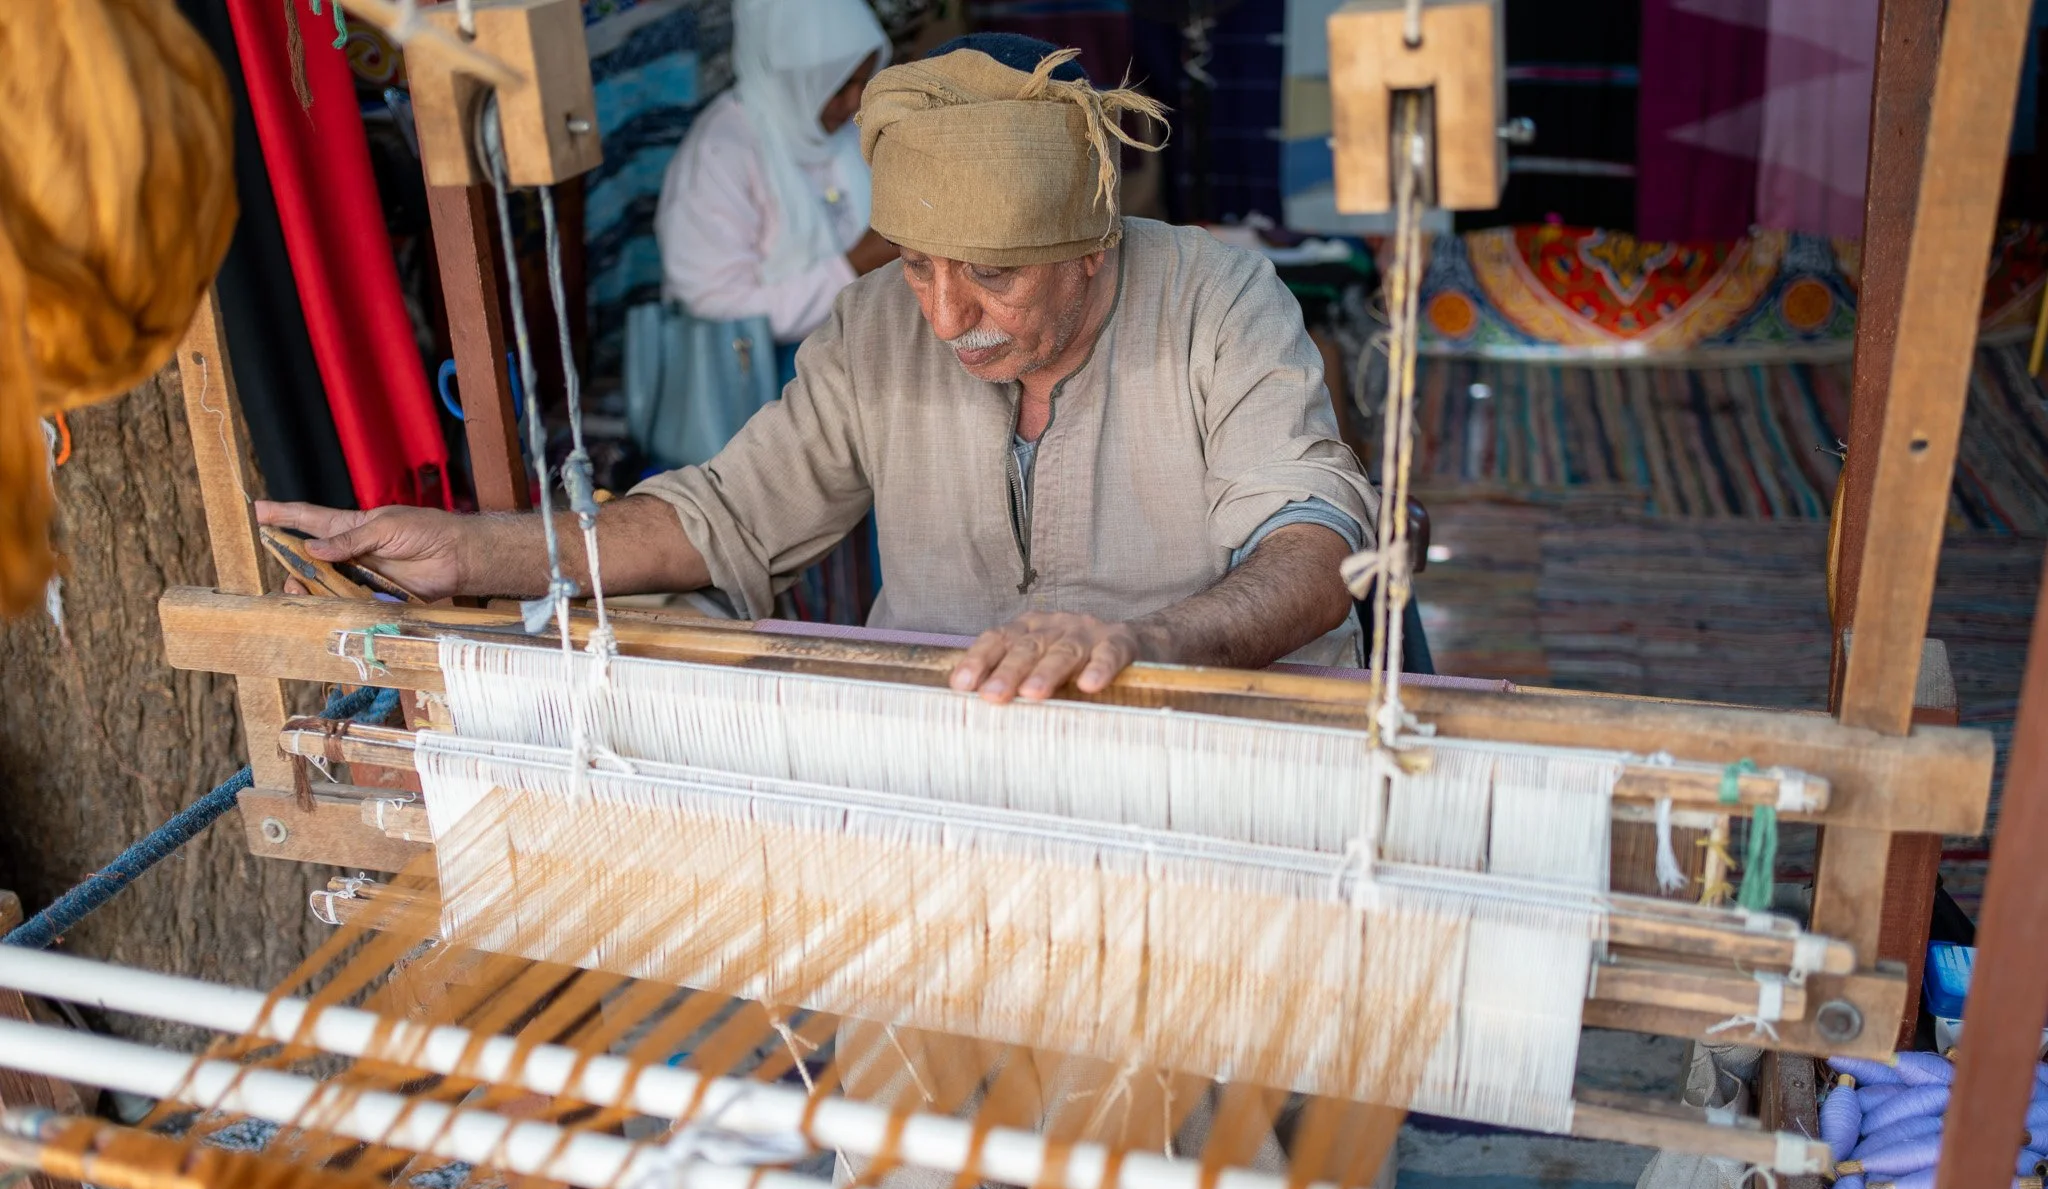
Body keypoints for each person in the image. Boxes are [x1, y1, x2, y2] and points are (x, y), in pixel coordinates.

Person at [261, 34, 1375, 705]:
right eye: (918, 269)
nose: (946, 318)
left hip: (1178, 743)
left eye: (990, 278)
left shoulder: (1216, 302)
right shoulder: (871, 332)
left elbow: (1316, 548)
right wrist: (475, 550)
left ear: (1089, 253)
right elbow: (727, 517)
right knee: (900, 1081)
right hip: (933, 750)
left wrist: (1143, 641)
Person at [655, 0, 897, 350]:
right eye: (838, 85)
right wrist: (853, 267)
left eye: (864, 81)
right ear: (790, 75)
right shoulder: (721, 153)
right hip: (753, 377)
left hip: (849, 348)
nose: (854, 103)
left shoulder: (846, 133)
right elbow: (715, 308)